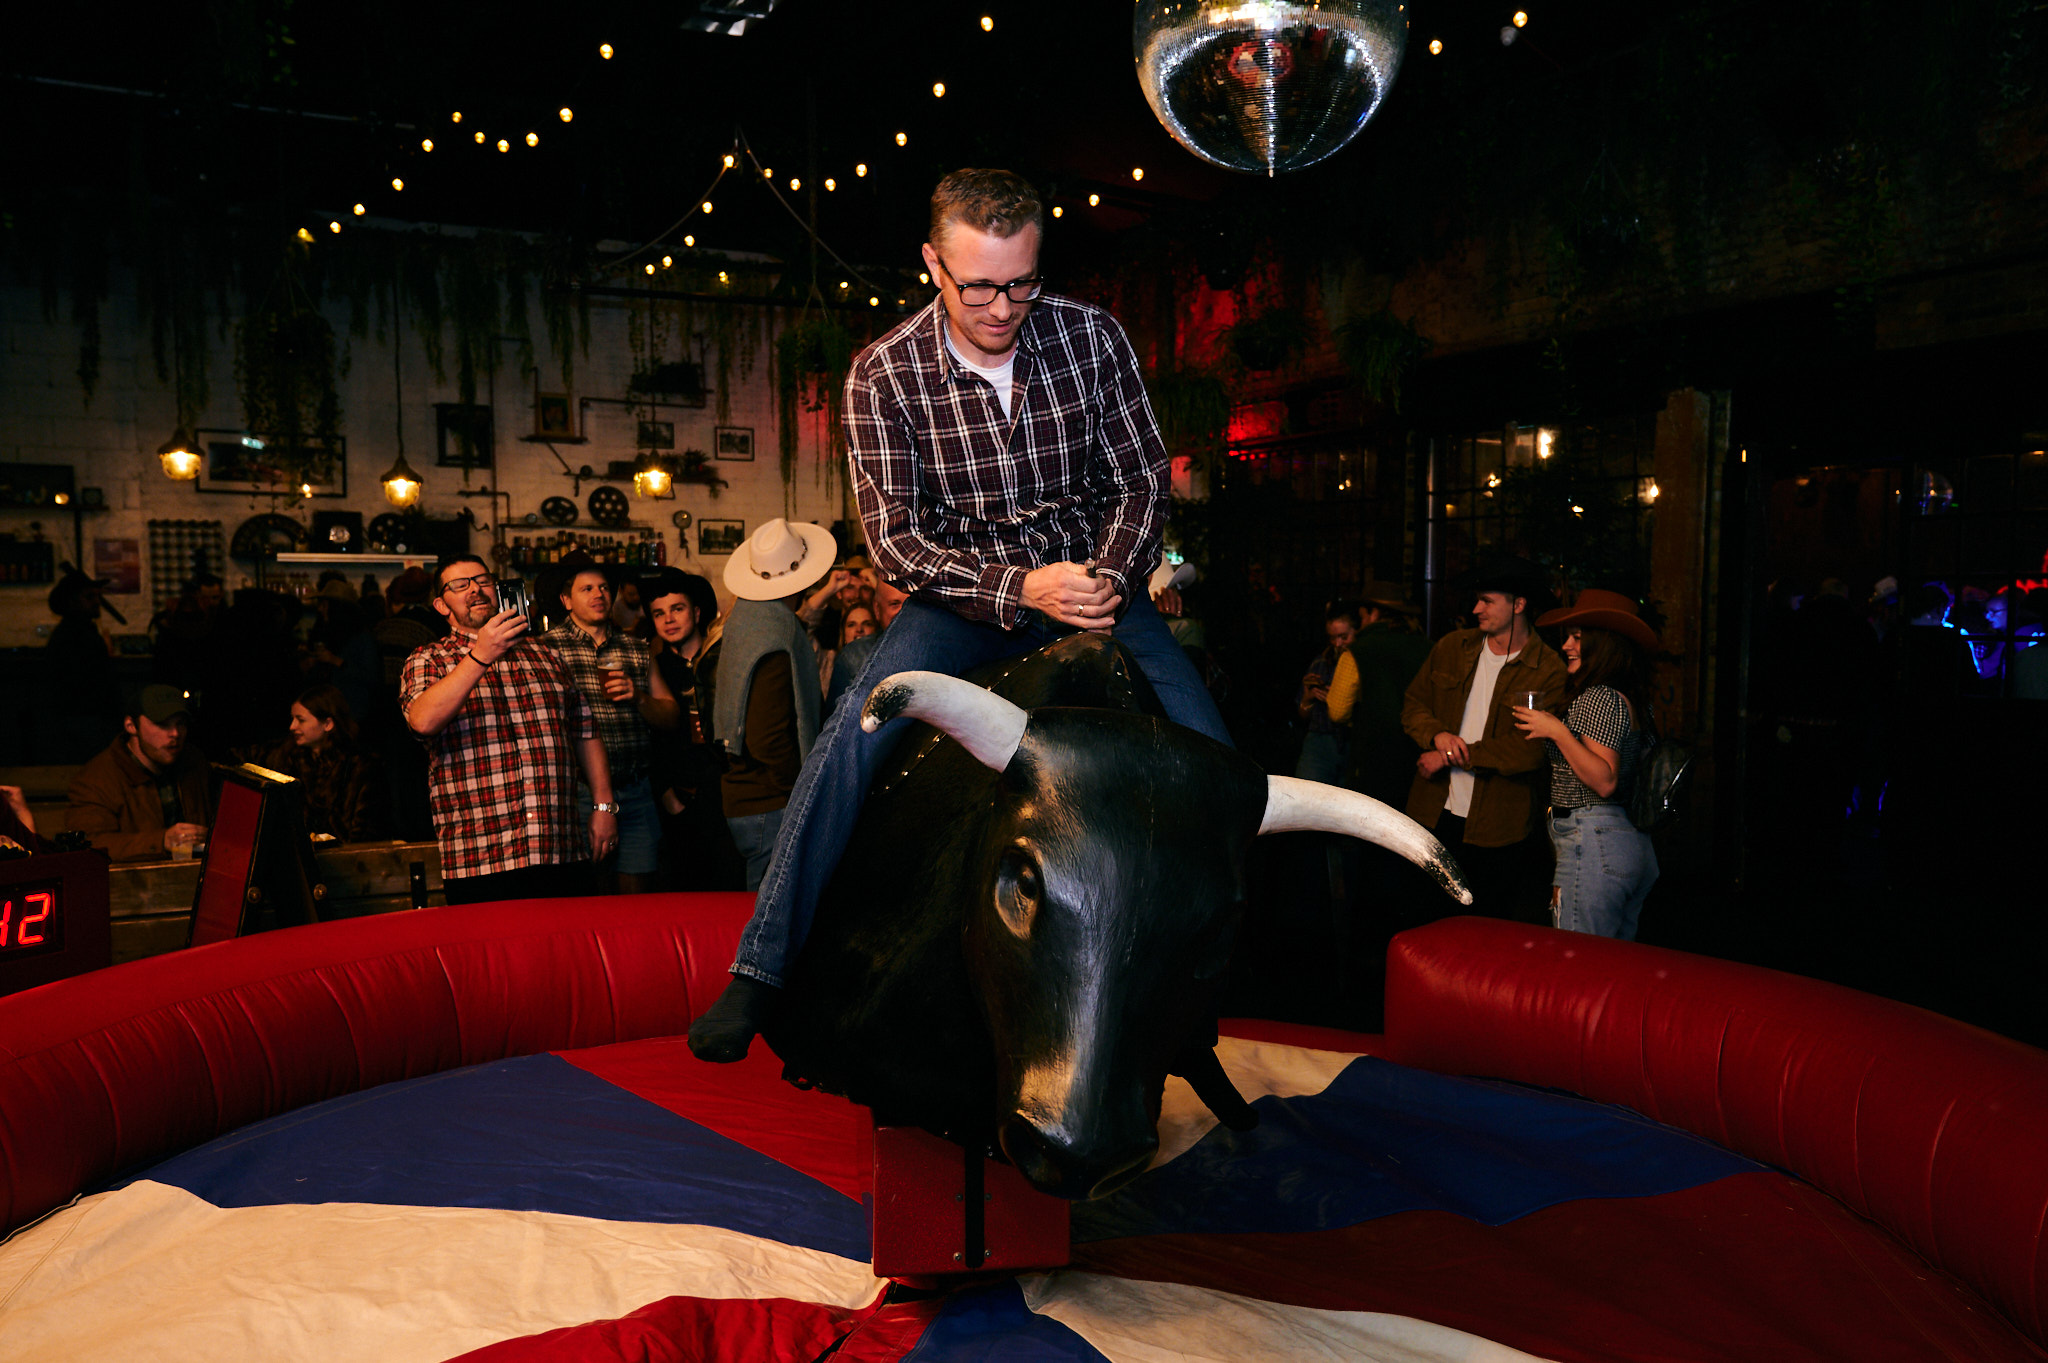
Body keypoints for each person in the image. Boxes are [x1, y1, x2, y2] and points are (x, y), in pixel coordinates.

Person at [690, 167, 1231, 1062]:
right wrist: (1020, 589)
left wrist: (1104, 577)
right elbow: (896, 542)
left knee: (1213, 757)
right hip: (966, 598)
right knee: (855, 730)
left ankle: (1201, 983)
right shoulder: (882, 373)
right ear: (933, 265)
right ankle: (761, 967)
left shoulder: (1093, 336)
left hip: (1095, 585)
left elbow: (1140, 478)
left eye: (1022, 283)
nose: (1002, 307)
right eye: (979, 286)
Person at [399, 554, 619, 905]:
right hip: (480, 854)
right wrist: (481, 655)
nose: (475, 589)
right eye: (460, 585)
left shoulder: (546, 654)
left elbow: (585, 732)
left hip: (558, 845)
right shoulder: (428, 658)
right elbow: (422, 722)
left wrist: (604, 807)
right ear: (441, 605)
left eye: (483, 581)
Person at [1398, 557, 1567, 924]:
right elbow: (1413, 704)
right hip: (1434, 810)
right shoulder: (1452, 647)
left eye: (1487, 601)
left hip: (1497, 826)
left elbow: (1529, 750)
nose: (1476, 609)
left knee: (1484, 924)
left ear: (1518, 604)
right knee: (1426, 918)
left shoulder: (1548, 669)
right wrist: (1437, 734)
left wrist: (1449, 755)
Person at [1511, 590, 1661, 940]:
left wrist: (1557, 731)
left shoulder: (1599, 697)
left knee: (1579, 959)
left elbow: (1605, 780)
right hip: (1628, 842)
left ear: (1603, 644)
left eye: (1577, 637)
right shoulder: (1631, 697)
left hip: (1595, 841)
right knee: (1612, 961)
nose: (1566, 646)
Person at [541, 563, 678, 894]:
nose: (598, 594)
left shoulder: (636, 648)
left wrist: (639, 697)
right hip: (576, 794)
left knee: (639, 898)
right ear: (566, 600)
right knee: (587, 896)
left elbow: (671, 716)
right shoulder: (547, 649)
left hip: (635, 789)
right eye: (586, 589)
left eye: (603, 588)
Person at [711, 520, 830, 890]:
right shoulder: (776, 634)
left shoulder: (746, 620)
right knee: (769, 915)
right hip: (769, 803)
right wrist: (797, 791)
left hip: (748, 797)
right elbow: (767, 737)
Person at [642, 568, 743, 889]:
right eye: (659, 613)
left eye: (677, 609)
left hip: (725, 793)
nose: (669, 619)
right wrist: (666, 794)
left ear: (697, 613)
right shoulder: (655, 671)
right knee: (687, 890)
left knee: (731, 885)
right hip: (679, 797)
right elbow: (649, 738)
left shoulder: (721, 661)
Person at [65, 684, 215, 862]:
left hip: (196, 871)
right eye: (162, 724)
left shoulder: (194, 762)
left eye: (180, 723)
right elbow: (89, 845)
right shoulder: (97, 779)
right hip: (134, 877)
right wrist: (161, 841)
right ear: (131, 725)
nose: (175, 733)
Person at [1327, 583, 1432, 809]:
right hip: (1419, 756)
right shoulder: (1428, 648)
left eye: (1362, 614)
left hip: (1372, 761)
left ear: (1373, 613)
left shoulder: (1357, 651)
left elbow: (1337, 711)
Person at [251, 684, 388, 842]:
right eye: (293, 719)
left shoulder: (361, 767)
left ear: (327, 724)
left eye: (301, 720)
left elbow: (367, 833)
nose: (292, 726)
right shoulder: (287, 756)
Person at [1294, 602, 1360, 784]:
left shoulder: (1363, 663)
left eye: (1344, 637)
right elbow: (1302, 714)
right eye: (1332, 638)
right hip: (1320, 741)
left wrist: (1341, 697)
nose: (1338, 644)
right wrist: (1308, 698)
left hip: (1353, 742)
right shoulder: (1321, 663)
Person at [826, 578, 910, 712]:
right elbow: (835, 715)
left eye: (909, 604)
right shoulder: (852, 655)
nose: (904, 611)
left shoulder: (933, 646)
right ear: (877, 610)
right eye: (894, 604)